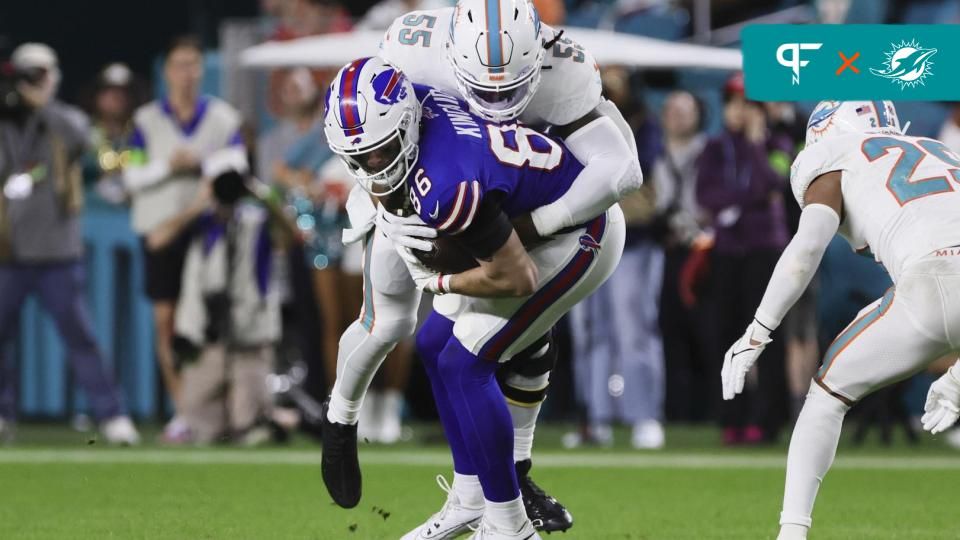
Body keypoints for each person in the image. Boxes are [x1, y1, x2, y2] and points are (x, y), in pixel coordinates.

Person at [320, 1, 641, 533]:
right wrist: (385, 206)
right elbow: (372, 138)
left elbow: (619, 172)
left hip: (547, 224)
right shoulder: (408, 59)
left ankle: (507, 507)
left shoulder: (563, 73)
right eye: (483, 91)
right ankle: (449, 482)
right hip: (453, 199)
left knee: (473, 357)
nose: (497, 107)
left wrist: (456, 268)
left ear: (537, 59)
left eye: (510, 91)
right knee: (408, 332)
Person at [720, 100, 960, 540]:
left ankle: (791, 534)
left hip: (925, 283)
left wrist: (759, 330)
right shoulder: (942, 150)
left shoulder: (833, 155)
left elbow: (806, 250)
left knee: (827, 396)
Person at [0, 43, 139, 444]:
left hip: (56, 250)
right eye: (29, 75)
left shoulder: (62, 120)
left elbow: (81, 135)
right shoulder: (8, 121)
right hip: (9, 249)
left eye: (41, 74)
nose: (35, 82)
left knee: (80, 336)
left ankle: (112, 415)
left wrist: (39, 103)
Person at [124, 35, 245, 441]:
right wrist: (169, 166)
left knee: (208, 321)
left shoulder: (223, 118)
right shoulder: (145, 121)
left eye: (193, 64)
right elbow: (133, 175)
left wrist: (203, 162)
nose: (187, 73)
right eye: (179, 64)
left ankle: (210, 409)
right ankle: (183, 411)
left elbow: (236, 168)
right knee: (167, 321)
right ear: (166, 71)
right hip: (161, 228)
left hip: (208, 232)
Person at [147, 166, 286, 445]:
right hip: (206, 336)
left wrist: (264, 197)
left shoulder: (257, 220)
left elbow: (290, 236)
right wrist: (198, 205)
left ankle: (266, 419)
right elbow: (156, 240)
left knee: (249, 425)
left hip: (249, 334)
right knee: (202, 426)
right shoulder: (201, 221)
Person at [566, 67, 666, 449]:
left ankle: (644, 415)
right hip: (584, 240)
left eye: (615, 80)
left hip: (634, 242)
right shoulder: (571, 120)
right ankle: (595, 417)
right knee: (590, 334)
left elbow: (641, 180)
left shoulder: (642, 124)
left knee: (633, 329)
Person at [696, 73, 789, 444]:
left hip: (765, 251)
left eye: (748, 104)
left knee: (766, 336)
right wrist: (748, 199)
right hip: (728, 252)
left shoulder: (778, 144)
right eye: (734, 103)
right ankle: (731, 417)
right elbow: (707, 195)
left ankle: (768, 420)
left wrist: (754, 145)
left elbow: (774, 183)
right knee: (727, 333)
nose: (740, 111)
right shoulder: (715, 148)